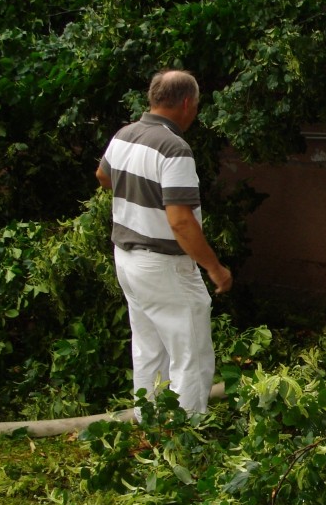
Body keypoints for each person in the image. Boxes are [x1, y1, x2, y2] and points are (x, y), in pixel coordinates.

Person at [95, 69, 232, 420]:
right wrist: (214, 268)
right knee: (191, 356)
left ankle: (150, 426)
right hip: (164, 265)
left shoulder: (125, 134)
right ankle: (185, 437)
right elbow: (181, 221)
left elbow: (102, 175)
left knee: (149, 348)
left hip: (127, 257)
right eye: (197, 105)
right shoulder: (174, 148)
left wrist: (137, 201)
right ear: (187, 103)